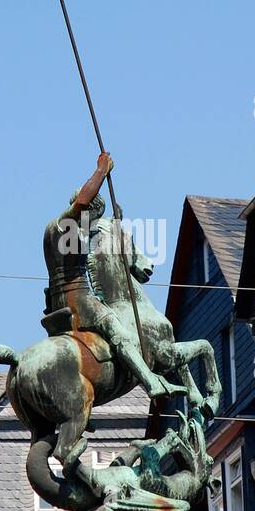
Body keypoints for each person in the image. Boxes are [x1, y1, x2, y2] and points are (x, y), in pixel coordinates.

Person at [41, 151, 180, 399]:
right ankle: (152, 382)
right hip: (78, 300)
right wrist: (101, 172)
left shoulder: (65, 232)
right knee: (118, 330)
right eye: (92, 217)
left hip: (55, 304)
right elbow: (82, 202)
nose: (92, 223)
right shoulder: (62, 225)